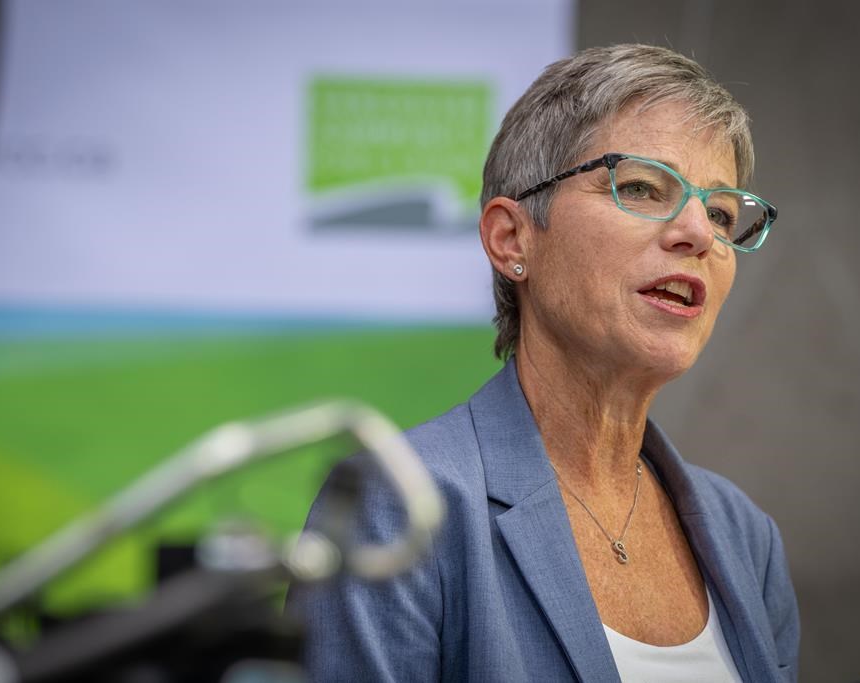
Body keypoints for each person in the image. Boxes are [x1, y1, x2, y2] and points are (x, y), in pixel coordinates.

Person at [289, 44, 799, 682]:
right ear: (512, 239)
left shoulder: (746, 538)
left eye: (722, 213)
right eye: (641, 186)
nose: (698, 233)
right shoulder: (398, 507)